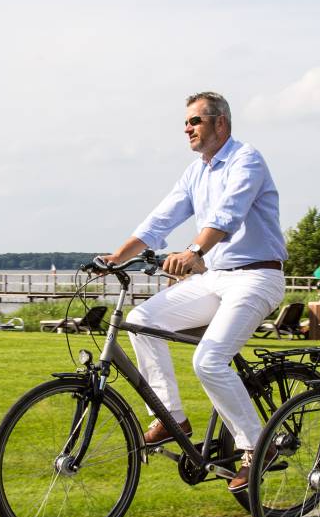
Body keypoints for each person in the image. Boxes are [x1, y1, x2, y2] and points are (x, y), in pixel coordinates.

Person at [98, 92, 287, 491]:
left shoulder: (245, 159)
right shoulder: (195, 172)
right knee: (140, 320)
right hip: (216, 277)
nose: (187, 128)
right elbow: (160, 218)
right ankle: (170, 418)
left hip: (257, 277)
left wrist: (194, 250)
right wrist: (115, 258)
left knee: (209, 360)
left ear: (221, 123)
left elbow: (228, 216)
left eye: (195, 121)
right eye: (185, 122)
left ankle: (258, 446)